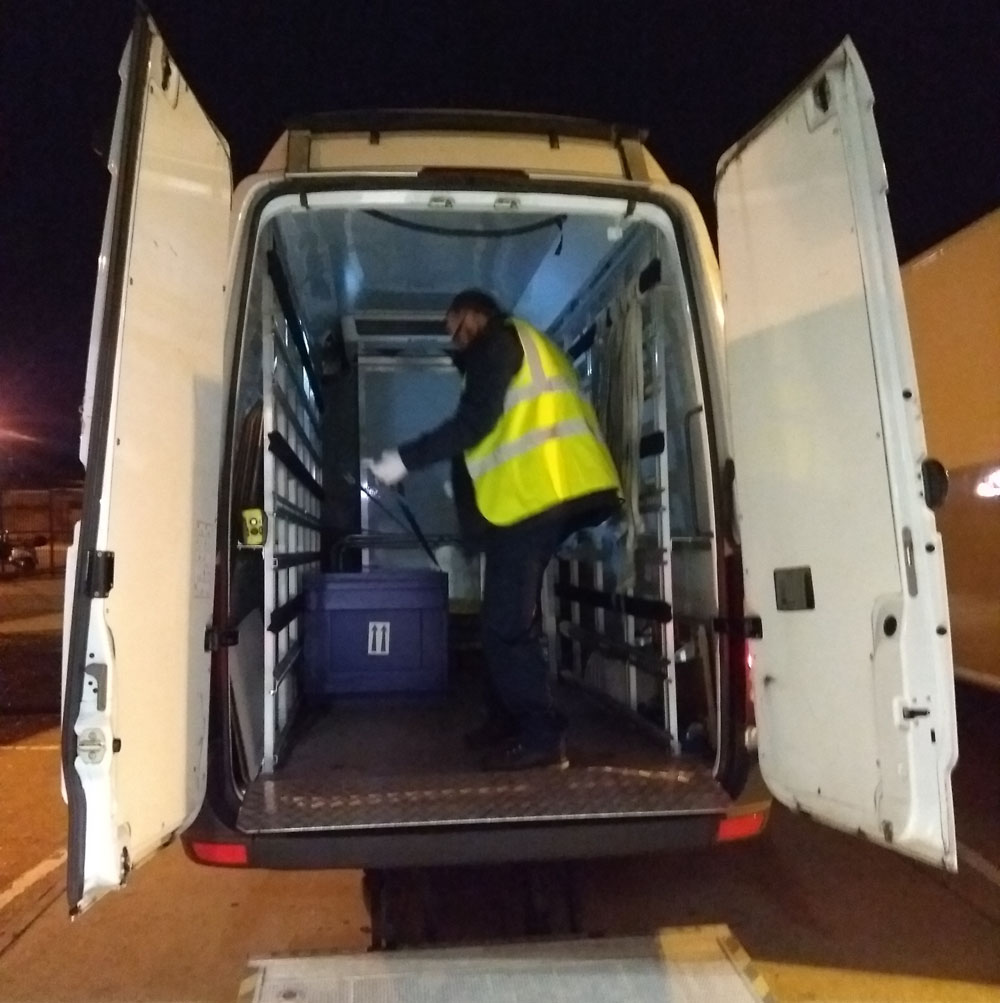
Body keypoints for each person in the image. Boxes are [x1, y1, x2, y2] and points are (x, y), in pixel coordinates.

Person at [369, 289, 621, 771]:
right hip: (541, 497)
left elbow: (475, 424)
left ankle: (542, 736)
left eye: (456, 324)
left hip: (536, 498)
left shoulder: (498, 343)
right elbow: (495, 434)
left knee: (506, 625)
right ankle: (505, 718)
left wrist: (404, 459)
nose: (455, 337)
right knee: (500, 620)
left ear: (476, 312)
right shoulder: (523, 345)